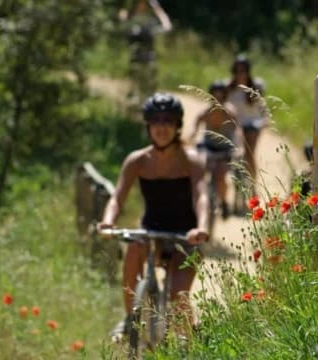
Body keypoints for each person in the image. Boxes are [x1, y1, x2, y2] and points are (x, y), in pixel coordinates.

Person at [97, 92, 209, 338]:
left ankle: (196, 334)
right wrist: (108, 222)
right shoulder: (137, 161)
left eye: (168, 120)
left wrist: (200, 227)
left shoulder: (192, 161)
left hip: (186, 237)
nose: (162, 127)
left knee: (178, 296)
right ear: (148, 125)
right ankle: (130, 320)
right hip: (151, 232)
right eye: (156, 120)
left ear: (177, 125)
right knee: (134, 249)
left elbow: (201, 196)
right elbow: (117, 197)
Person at [190, 79, 243, 219]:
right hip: (208, 147)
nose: (218, 99)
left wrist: (240, 147)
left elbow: (238, 130)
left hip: (225, 149)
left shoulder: (230, 112)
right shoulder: (206, 112)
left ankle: (224, 202)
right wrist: (192, 136)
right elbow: (195, 125)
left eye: (221, 96)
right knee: (199, 168)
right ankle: (197, 200)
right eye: (215, 96)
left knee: (221, 176)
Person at [119, 0, 172, 113]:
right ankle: (135, 109)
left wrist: (161, 16)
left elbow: (166, 23)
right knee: (135, 82)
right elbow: (122, 23)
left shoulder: (151, 13)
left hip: (149, 54)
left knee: (149, 84)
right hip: (135, 55)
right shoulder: (130, 12)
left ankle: (148, 109)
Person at [226, 54, 269, 183]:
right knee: (235, 152)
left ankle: (253, 184)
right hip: (236, 123)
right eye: (237, 71)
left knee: (249, 154)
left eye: (243, 71)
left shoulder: (257, 86)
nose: (240, 74)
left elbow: (263, 106)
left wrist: (265, 120)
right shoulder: (228, 87)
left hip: (253, 123)